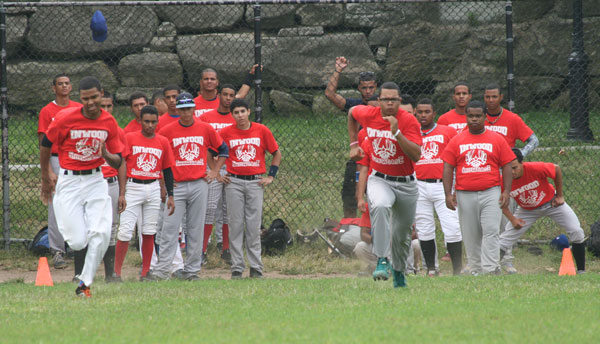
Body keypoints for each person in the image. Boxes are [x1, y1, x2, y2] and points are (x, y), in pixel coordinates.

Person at [40, 76, 124, 297]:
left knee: (102, 232)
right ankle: (82, 247)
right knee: (77, 242)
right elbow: (45, 144)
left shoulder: (108, 122)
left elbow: (118, 161)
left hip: (96, 179)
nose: (90, 103)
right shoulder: (65, 118)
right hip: (68, 180)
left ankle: (84, 284)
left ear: (101, 94)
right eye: (85, 98)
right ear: (80, 98)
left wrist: (105, 154)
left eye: (94, 97)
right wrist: (46, 175)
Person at [348, 81, 421, 288]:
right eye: (385, 99)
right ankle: (382, 259)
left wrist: (397, 133)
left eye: (394, 100)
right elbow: (352, 113)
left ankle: (399, 272)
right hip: (379, 178)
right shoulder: (369, 114)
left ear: (399, 101)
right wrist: (354, 144)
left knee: (401, 235)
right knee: (379, 205)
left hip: (406, 183)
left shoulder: (408, 121)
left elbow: (416, 155)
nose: (390, 103)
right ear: (378, 100)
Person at [149, 92, 228, 281]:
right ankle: (162, 271)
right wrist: (163, 181)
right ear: (177, 109)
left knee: (195, 228)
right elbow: (157, 155)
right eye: (182, 109)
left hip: (199, 183)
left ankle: (192, 271)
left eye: (189, 109)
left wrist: (215, 171)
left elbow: (223, 149)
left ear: (194, 109)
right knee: (170, 228)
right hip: (176, 185)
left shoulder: (205, 128)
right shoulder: (167, 131)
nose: (186, 113)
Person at [442, 100, 515, 275]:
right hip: (464, 193)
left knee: (491, 230)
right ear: (466, 116)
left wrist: (506, 191)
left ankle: (490, 268)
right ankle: (476, 268)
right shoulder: (457, 140)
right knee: (470, 233)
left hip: (491, 191)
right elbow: (447, 167)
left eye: (478, 116)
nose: (474, 119)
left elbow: (507, 165)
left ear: (485, 117)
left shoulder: (496, 139)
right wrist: (448, 193)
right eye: (470, 116)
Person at [219, 98, 282, 279]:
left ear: (249, 112)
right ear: (232, 115)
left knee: (254, 226)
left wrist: (271, 176)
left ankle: (256, 267)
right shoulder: (226, 132)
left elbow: (276, 152)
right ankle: (237, 267)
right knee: (236, 224)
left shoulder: (261, 130)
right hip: (234, 182)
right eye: (236, 113)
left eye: (242, 111)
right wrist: (217, 172)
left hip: (255, 182)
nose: (240, 116)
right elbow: (212, 151)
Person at [113, 105, 176, 281]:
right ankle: (116, 273)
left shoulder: (162, 141)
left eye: (153, 122)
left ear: (158, 121)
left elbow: (168, 169)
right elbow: (122, 165)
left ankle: (146, 272)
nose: (150, 125)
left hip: (154, 186)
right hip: (133, 186)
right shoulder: (130, 137)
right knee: (125, 231)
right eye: (146, 121)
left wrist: (170, 195)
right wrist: (122, 192)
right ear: (140, 121)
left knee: (149, 231)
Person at [499, 149, 586, 273]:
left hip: (552, 203)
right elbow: (502, 202)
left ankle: (581, 271)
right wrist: (512, 219)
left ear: (522, 162)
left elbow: (556, 169)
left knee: (577, 231)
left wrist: (560, 195)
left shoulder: (534, 168)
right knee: (504, 239)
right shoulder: (504, 180)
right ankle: (491, 270)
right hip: (527, 210)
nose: (511, 172)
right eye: (507, 169)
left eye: (514, 168)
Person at [484, 83, 539, 274]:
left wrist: (518, 156)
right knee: (487, 220)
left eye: (494, 97)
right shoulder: (478, 118)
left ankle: (507, 260)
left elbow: (534, 139)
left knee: (507, 218)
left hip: (507, 175)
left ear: (501, 97)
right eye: (487, 97)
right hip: (485, 174)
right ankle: (485, 259)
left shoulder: (511, 119)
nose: (490, 101)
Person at [413, 99, 463, 276]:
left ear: (434, 114)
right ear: (415, 113)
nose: (423, 115)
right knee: (424, 228)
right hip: (418, 184)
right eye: (420, 112)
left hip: (443, 185)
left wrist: (455, 188)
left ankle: (457, 269)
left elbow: (458, 157)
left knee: (452, 227)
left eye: (427, 112)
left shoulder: (447, 131)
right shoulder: (410, 133)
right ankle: (431, 268)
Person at [37, 74, 82, 270]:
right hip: (56, 159)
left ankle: (77, 245)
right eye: (60, 84)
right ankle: (57, 250)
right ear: (53, 88)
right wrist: (47, 171)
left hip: (74, 158)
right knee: (57, 203)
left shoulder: (77, 108)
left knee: (79, 202)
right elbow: (42, 143)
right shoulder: (48, 111)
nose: (64, 86)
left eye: (67, 83)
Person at [325, 57, 378, 219]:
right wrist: (338, 70)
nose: (368, 91)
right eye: (364, 88)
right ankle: (349, 226)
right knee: (350, 196)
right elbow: (329, 94)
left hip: (378, 157)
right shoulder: (354, 106)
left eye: (371, 87)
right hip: (358, 157)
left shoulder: (384, 105)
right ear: (359, 89)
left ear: (376, 87)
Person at [198, 84, 238, 265]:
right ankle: (202, 250)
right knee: (209, 208)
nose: (228, 98)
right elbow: (205, 146)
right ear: (218, 95)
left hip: (231, 169)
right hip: (212, 167)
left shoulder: (237, 117)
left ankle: (226, 248)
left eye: (232, 95)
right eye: (225, 94)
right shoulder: (206, 117)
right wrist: (214, 170)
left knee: (228, 210)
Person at [97, 91, 125, 283]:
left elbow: (122, 162)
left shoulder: (117, 130)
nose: (106, 110)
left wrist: (123, 192)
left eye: (109, 106)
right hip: (93, 182)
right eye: (102, 106)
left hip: (112, 182)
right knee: (92, 226)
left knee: (113, 226)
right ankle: (81, 272)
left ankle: (110, 273)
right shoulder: (89, 128)